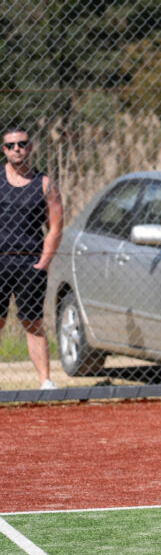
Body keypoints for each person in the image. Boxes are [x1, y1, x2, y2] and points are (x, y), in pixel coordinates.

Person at [0, 126, 63, 390]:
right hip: (0, 261)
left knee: (32, 322)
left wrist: (43, 262)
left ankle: (45, 381)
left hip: (30, 264)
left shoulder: (44, 183)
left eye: (22, 144)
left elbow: (55, 227)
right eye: (11, 145)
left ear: (31, 147)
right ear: (4, 150)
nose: (17, 149)